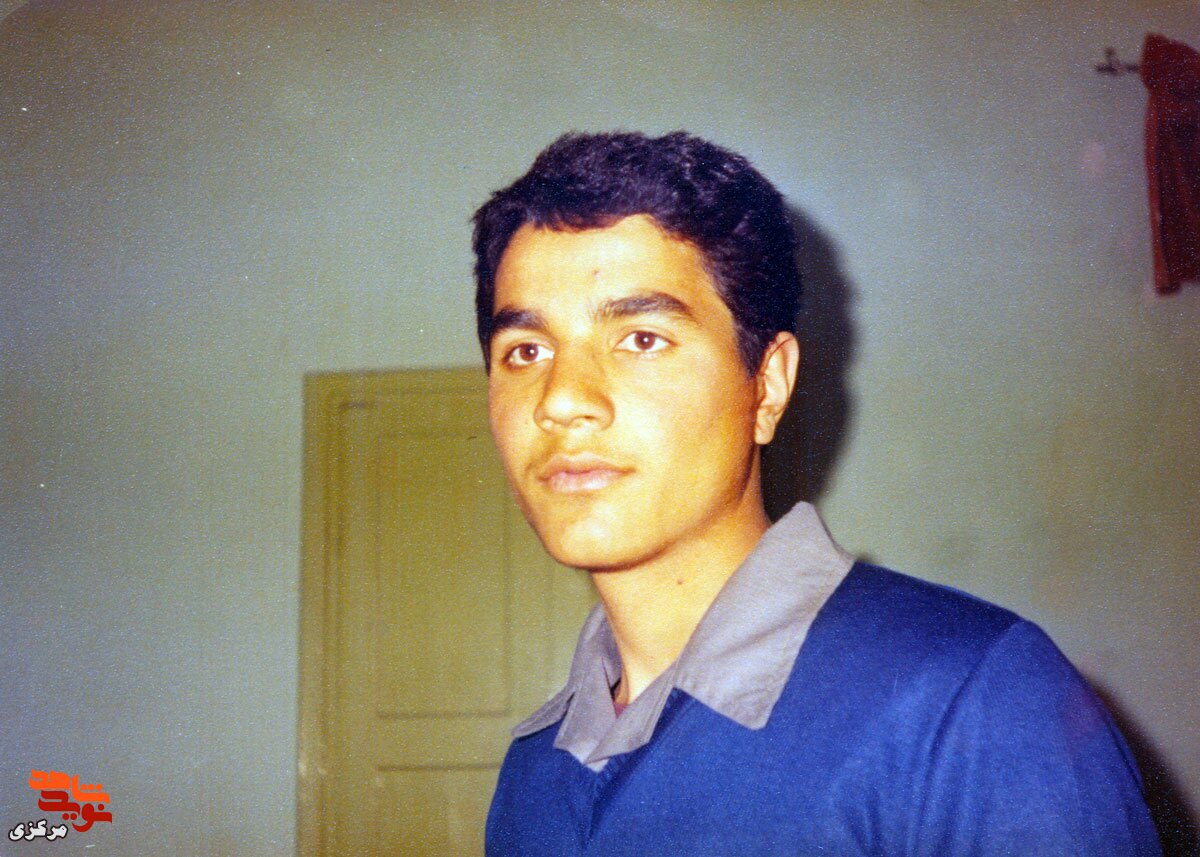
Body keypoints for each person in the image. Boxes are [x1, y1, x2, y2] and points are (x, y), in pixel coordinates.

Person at [471, 130, 1161, 856]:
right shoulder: (532, 773)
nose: (561, 400)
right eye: (526, 351)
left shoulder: (972, 704)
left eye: (642, 339)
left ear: (767, 386)